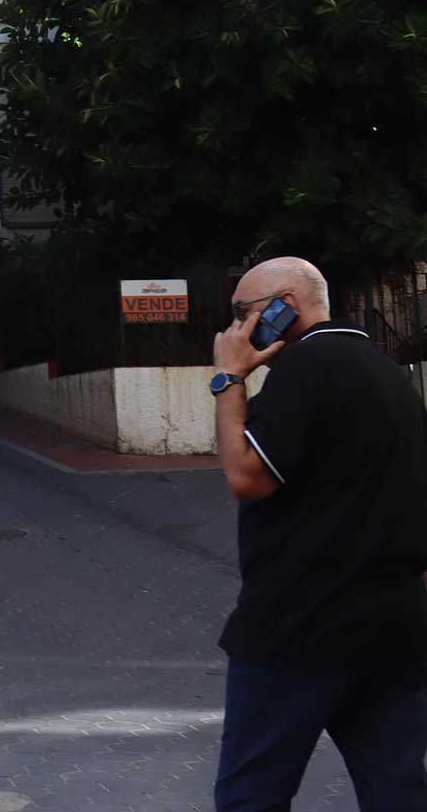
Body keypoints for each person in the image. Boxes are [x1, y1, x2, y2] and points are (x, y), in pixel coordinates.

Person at [209, 257, 427, 811]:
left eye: (242, 312)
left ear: (284, 307)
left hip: (298, 628)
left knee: (251, 795)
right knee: (396, 791)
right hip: (393, 628)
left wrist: (228, 379)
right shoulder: (389, 373)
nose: (235, 328)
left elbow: (246, 476)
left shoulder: (306, 367)